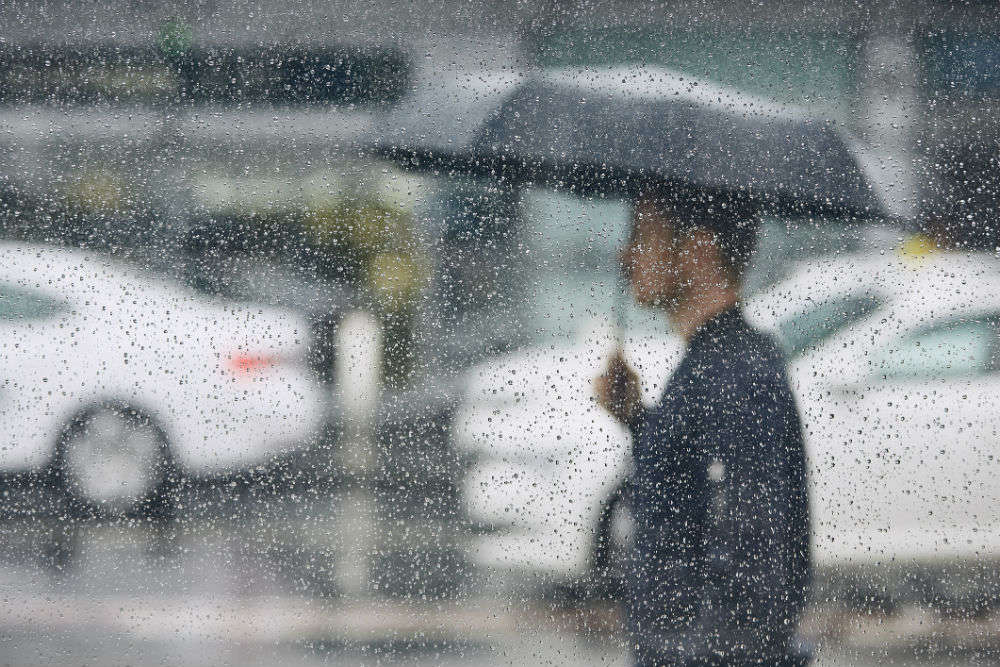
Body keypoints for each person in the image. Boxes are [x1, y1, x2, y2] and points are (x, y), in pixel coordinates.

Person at [595, 187, 812, 667]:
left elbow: (755, 560)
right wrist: (636, 417)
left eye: (642, 235)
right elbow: (691, 492)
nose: (624, 253)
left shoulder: (735, 374)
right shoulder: (717, 363)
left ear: (697, 250)